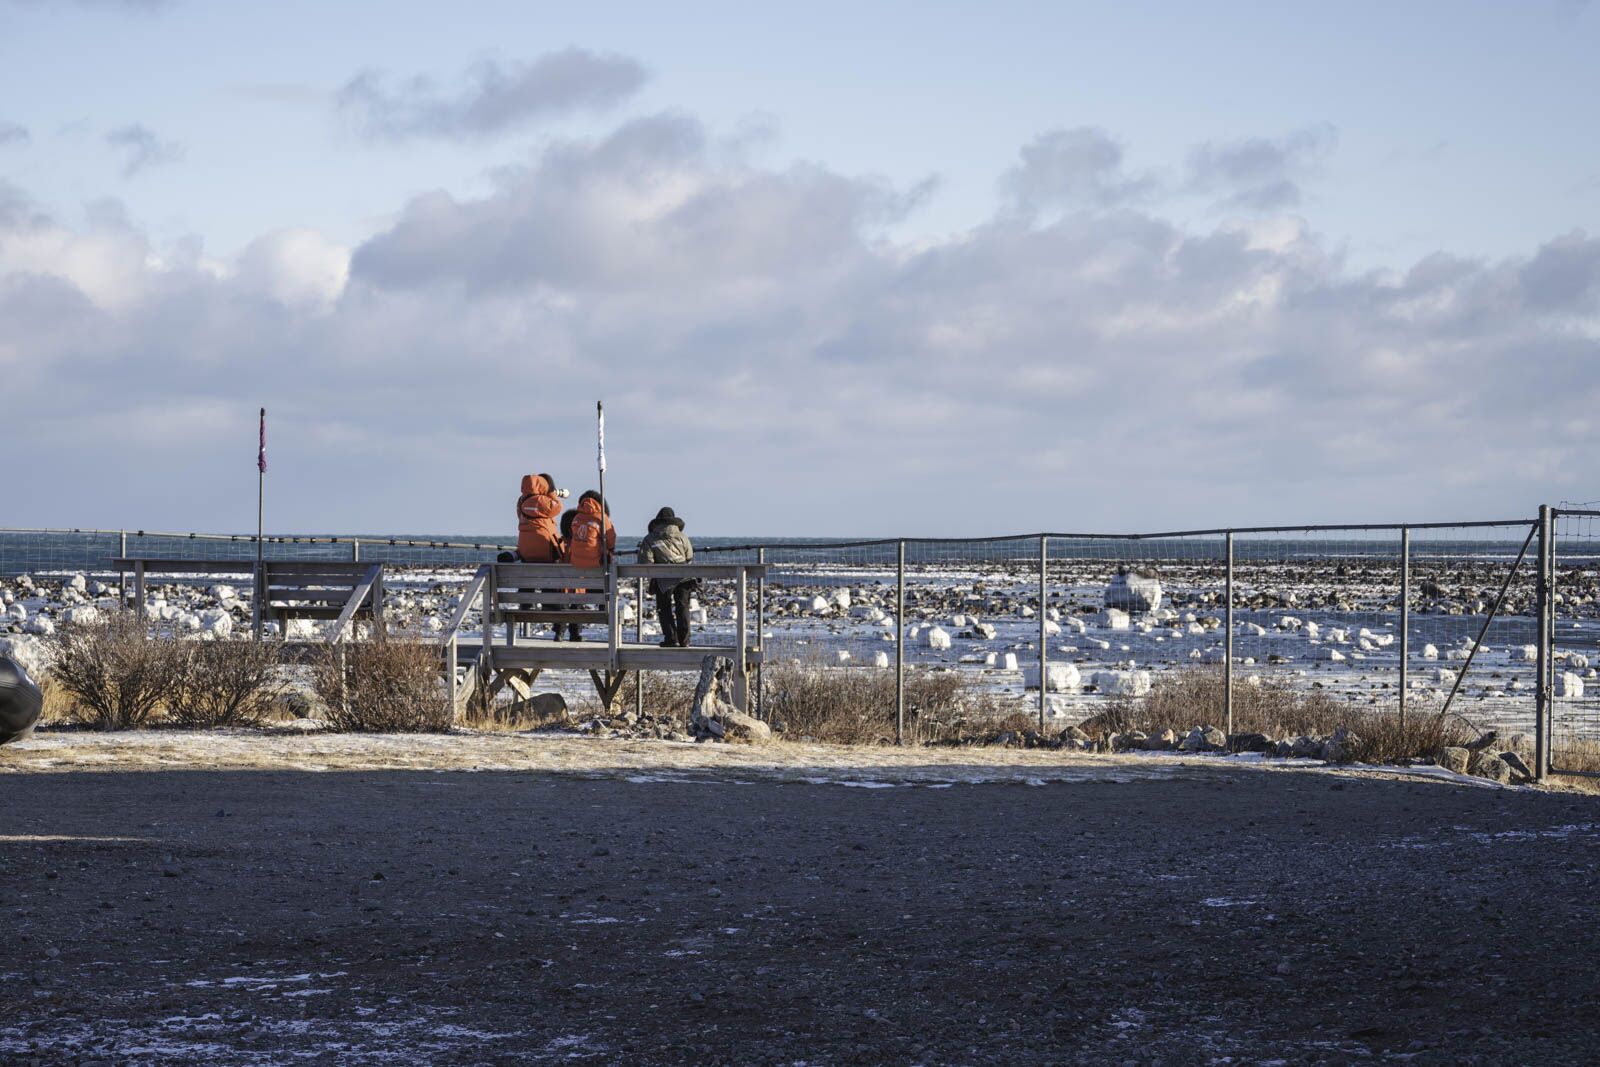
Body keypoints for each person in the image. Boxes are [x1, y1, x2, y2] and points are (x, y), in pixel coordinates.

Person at [638, 507, 695, 647]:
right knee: (683, 607)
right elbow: (689, 557)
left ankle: (671, 639)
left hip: (662, 579)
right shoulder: (683, 537)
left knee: (664, 608)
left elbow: (646, 562)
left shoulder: (650, 538)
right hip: (684, 576)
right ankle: (684, 640)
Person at [564, 492, 616, 642]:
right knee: (602, 586)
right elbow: (611, 540)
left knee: (578, 593)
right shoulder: (602, 518)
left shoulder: (576, 518)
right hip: (596, 568)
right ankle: (602, 607)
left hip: (575, 566)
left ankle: (572, 631)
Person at [515, 473, 563, 563]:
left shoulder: (521, 501)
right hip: (545, 549)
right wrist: (551, 492)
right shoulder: (541, 501)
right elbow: (558, 507)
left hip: (525, 549)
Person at [552, 508, 582, 641]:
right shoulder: (582, 545)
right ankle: (575, 632)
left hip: (561, 588)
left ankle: (559, 631)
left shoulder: (559, 543)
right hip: (578, 588)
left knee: (562, 601)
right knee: (578, 601)